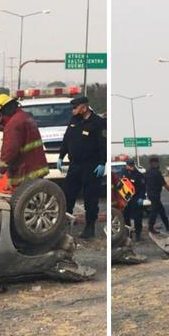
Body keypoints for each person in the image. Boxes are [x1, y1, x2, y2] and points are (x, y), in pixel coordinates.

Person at [58, 96, 107, 239]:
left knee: (90, 198)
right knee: (68, 195)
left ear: (84, 108)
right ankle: (63, 226)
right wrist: (61, 156)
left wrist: (102, 163)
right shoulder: (74, 121)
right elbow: (67, 139)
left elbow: (103, 144)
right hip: (75, 165)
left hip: (91, 166)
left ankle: (90, 227)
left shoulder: (98, 122)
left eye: (75, 108)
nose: (72, 110)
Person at [0, 94, 49, 189]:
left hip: (25, 172)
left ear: (6, 110)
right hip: (36, 168)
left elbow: (10, 149)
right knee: (35, 199)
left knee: (23, 201)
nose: (0, 119)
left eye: (1, 115)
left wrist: (0, 170)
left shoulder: (13, 124)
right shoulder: (26, 117)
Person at [143, 156, 169, 234]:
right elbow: (164, 184)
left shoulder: (147, 172)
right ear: (154, 163)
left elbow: (144, 183)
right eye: (157, 163)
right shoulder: (157, 172)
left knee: (161, 210)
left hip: (150, 194)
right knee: (154, 212)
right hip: (155, 194)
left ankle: (167, 225)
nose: (158, 164)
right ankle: (151, 228)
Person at [121, 158, 146, 241]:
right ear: (126, 165)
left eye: (132, 165)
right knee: (125, 217)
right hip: (126, 199)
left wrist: (141, 198)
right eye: (129, 165)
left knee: (138, 218)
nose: (131, 167)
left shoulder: (139, 175)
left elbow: (143, 188)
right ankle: (128, 234)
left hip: (136, 198)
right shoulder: (123, 173)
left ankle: (138, 234)